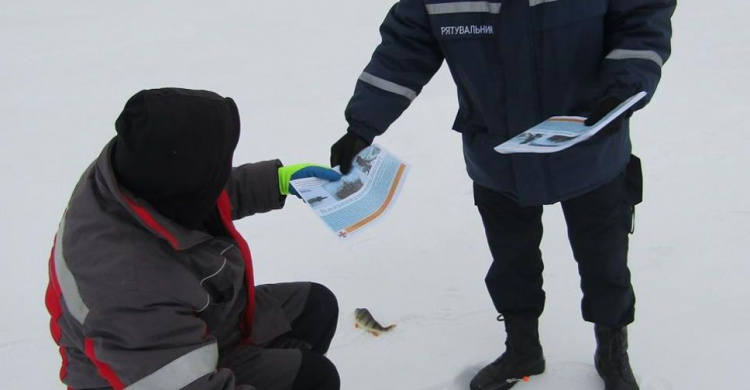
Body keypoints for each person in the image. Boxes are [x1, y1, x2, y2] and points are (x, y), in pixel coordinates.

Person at [329, 1, 675, 389]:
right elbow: (404, 51)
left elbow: (642, 18)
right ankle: (522, 348)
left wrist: (623, 89)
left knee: (605, 262)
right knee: (512, 263)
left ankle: (612, 351)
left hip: (592, 149)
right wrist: (362, 125)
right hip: (497, 154)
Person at [45, 88, 343, 390]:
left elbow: (201, 189)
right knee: (315, 378)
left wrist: (276, 182)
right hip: (146, 371)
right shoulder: (130, 289)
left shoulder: (133, 169)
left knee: (315, 308)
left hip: (195, 324)